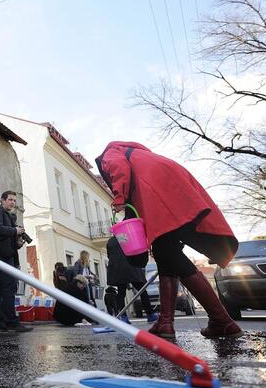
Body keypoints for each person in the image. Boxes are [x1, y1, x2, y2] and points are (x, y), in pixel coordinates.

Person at [96, 141, 242, 339]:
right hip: (171, 187)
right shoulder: (142, 156)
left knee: (168, 253)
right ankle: (165, 321)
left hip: (157, 192)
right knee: (165, 253)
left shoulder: (111, 151)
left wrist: (119, 198)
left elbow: (117, 167)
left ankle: (221, 320)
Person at [0, 190, 32, 334]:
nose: (12, 202)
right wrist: (14, 231)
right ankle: (11, 322)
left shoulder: (8, 217)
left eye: (14, 200)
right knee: (8, 291)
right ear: (3, 200)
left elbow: (7, 241)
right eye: (10, 199)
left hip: (3, 257)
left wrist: (17, 243)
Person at [106, 236, 159, 324]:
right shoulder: (130, 235)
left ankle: (123, 317)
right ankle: (150, 314)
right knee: (142, 291)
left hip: (118, 269)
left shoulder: (111, 241)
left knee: (121, 293)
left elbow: (109, 255)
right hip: (131, 266)